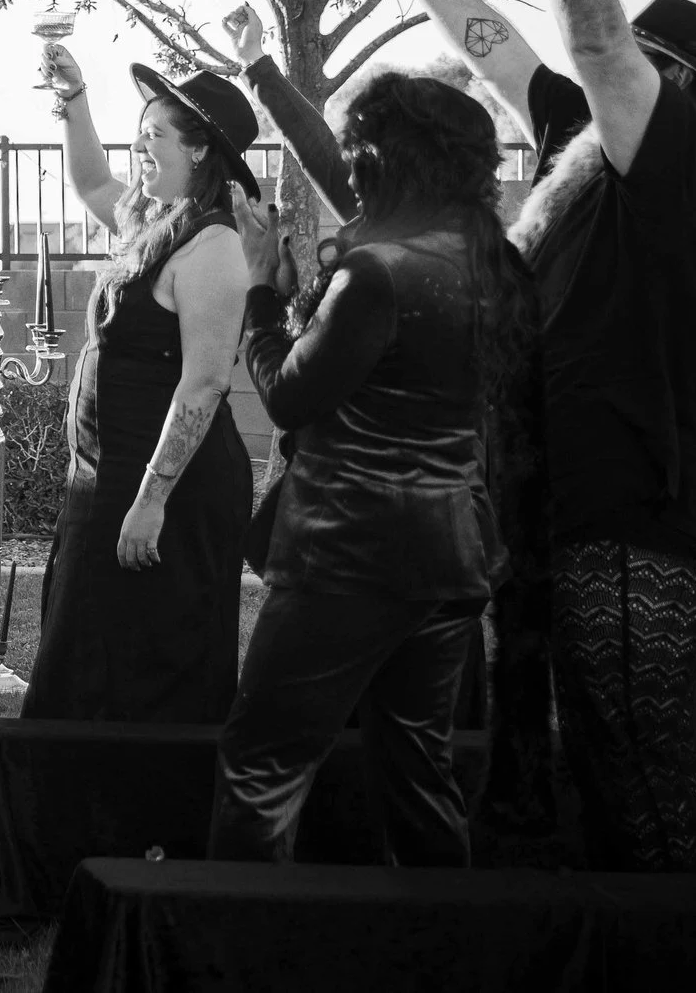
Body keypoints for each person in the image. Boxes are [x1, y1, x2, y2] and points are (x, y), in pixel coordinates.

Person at [349, 0, 696, 873]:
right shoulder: (578, 146)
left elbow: (592, 40)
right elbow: (495, 47)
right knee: (592, 755)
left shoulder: (690, 164)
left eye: (636, 66)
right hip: (565, 494)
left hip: (649, 495)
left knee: (641, 742)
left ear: (675, 87)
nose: (598, 83)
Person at [206, 72, 532, 865]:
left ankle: (231, 950)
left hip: (348, 555)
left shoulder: (377, 271)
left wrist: (260, 291)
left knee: (261, 768)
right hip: (451, 555)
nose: (347, 169)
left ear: (390, 161)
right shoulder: (493, 260)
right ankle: (437, 952)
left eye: (356, 154)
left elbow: (288, 396)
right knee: (419, 772)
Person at [20, 49, 254, 725]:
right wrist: (73, 96)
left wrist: (152, 500)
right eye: (140, 131)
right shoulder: (151, 221)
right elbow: (92, 178)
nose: (138, 148)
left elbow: (205, 384)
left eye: (155, 136)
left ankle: (153, 823)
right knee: (83, 652)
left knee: (149, 671)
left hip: (168, 491)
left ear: (202, 150)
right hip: (103, 480)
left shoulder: (213, 246)